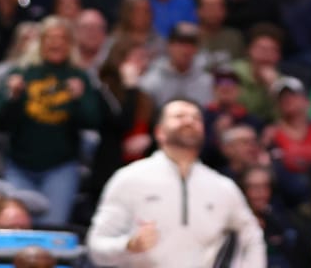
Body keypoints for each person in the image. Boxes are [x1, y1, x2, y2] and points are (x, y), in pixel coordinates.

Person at [88, 99, 267, 268]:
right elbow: (96, 246)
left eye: (196, 118)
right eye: (179, 116)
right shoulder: (129, 179)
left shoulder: (222, 187)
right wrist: (129, 245)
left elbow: (252, 238)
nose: (189, 121)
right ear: (159, 132)